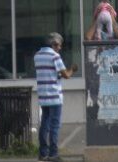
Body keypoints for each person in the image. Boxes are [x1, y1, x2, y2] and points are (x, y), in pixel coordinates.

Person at [34, 32, 75, 162]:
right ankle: (53, 154)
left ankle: (43, 153)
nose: (60, 48)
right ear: (54, 44)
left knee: (44, 124)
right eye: (59, 45)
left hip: (43, 95)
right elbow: (66, 75)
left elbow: (49, 72)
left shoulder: (37, 55)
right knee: (54, 125)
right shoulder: (55, 56)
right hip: (54, 95)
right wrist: (73, 69)